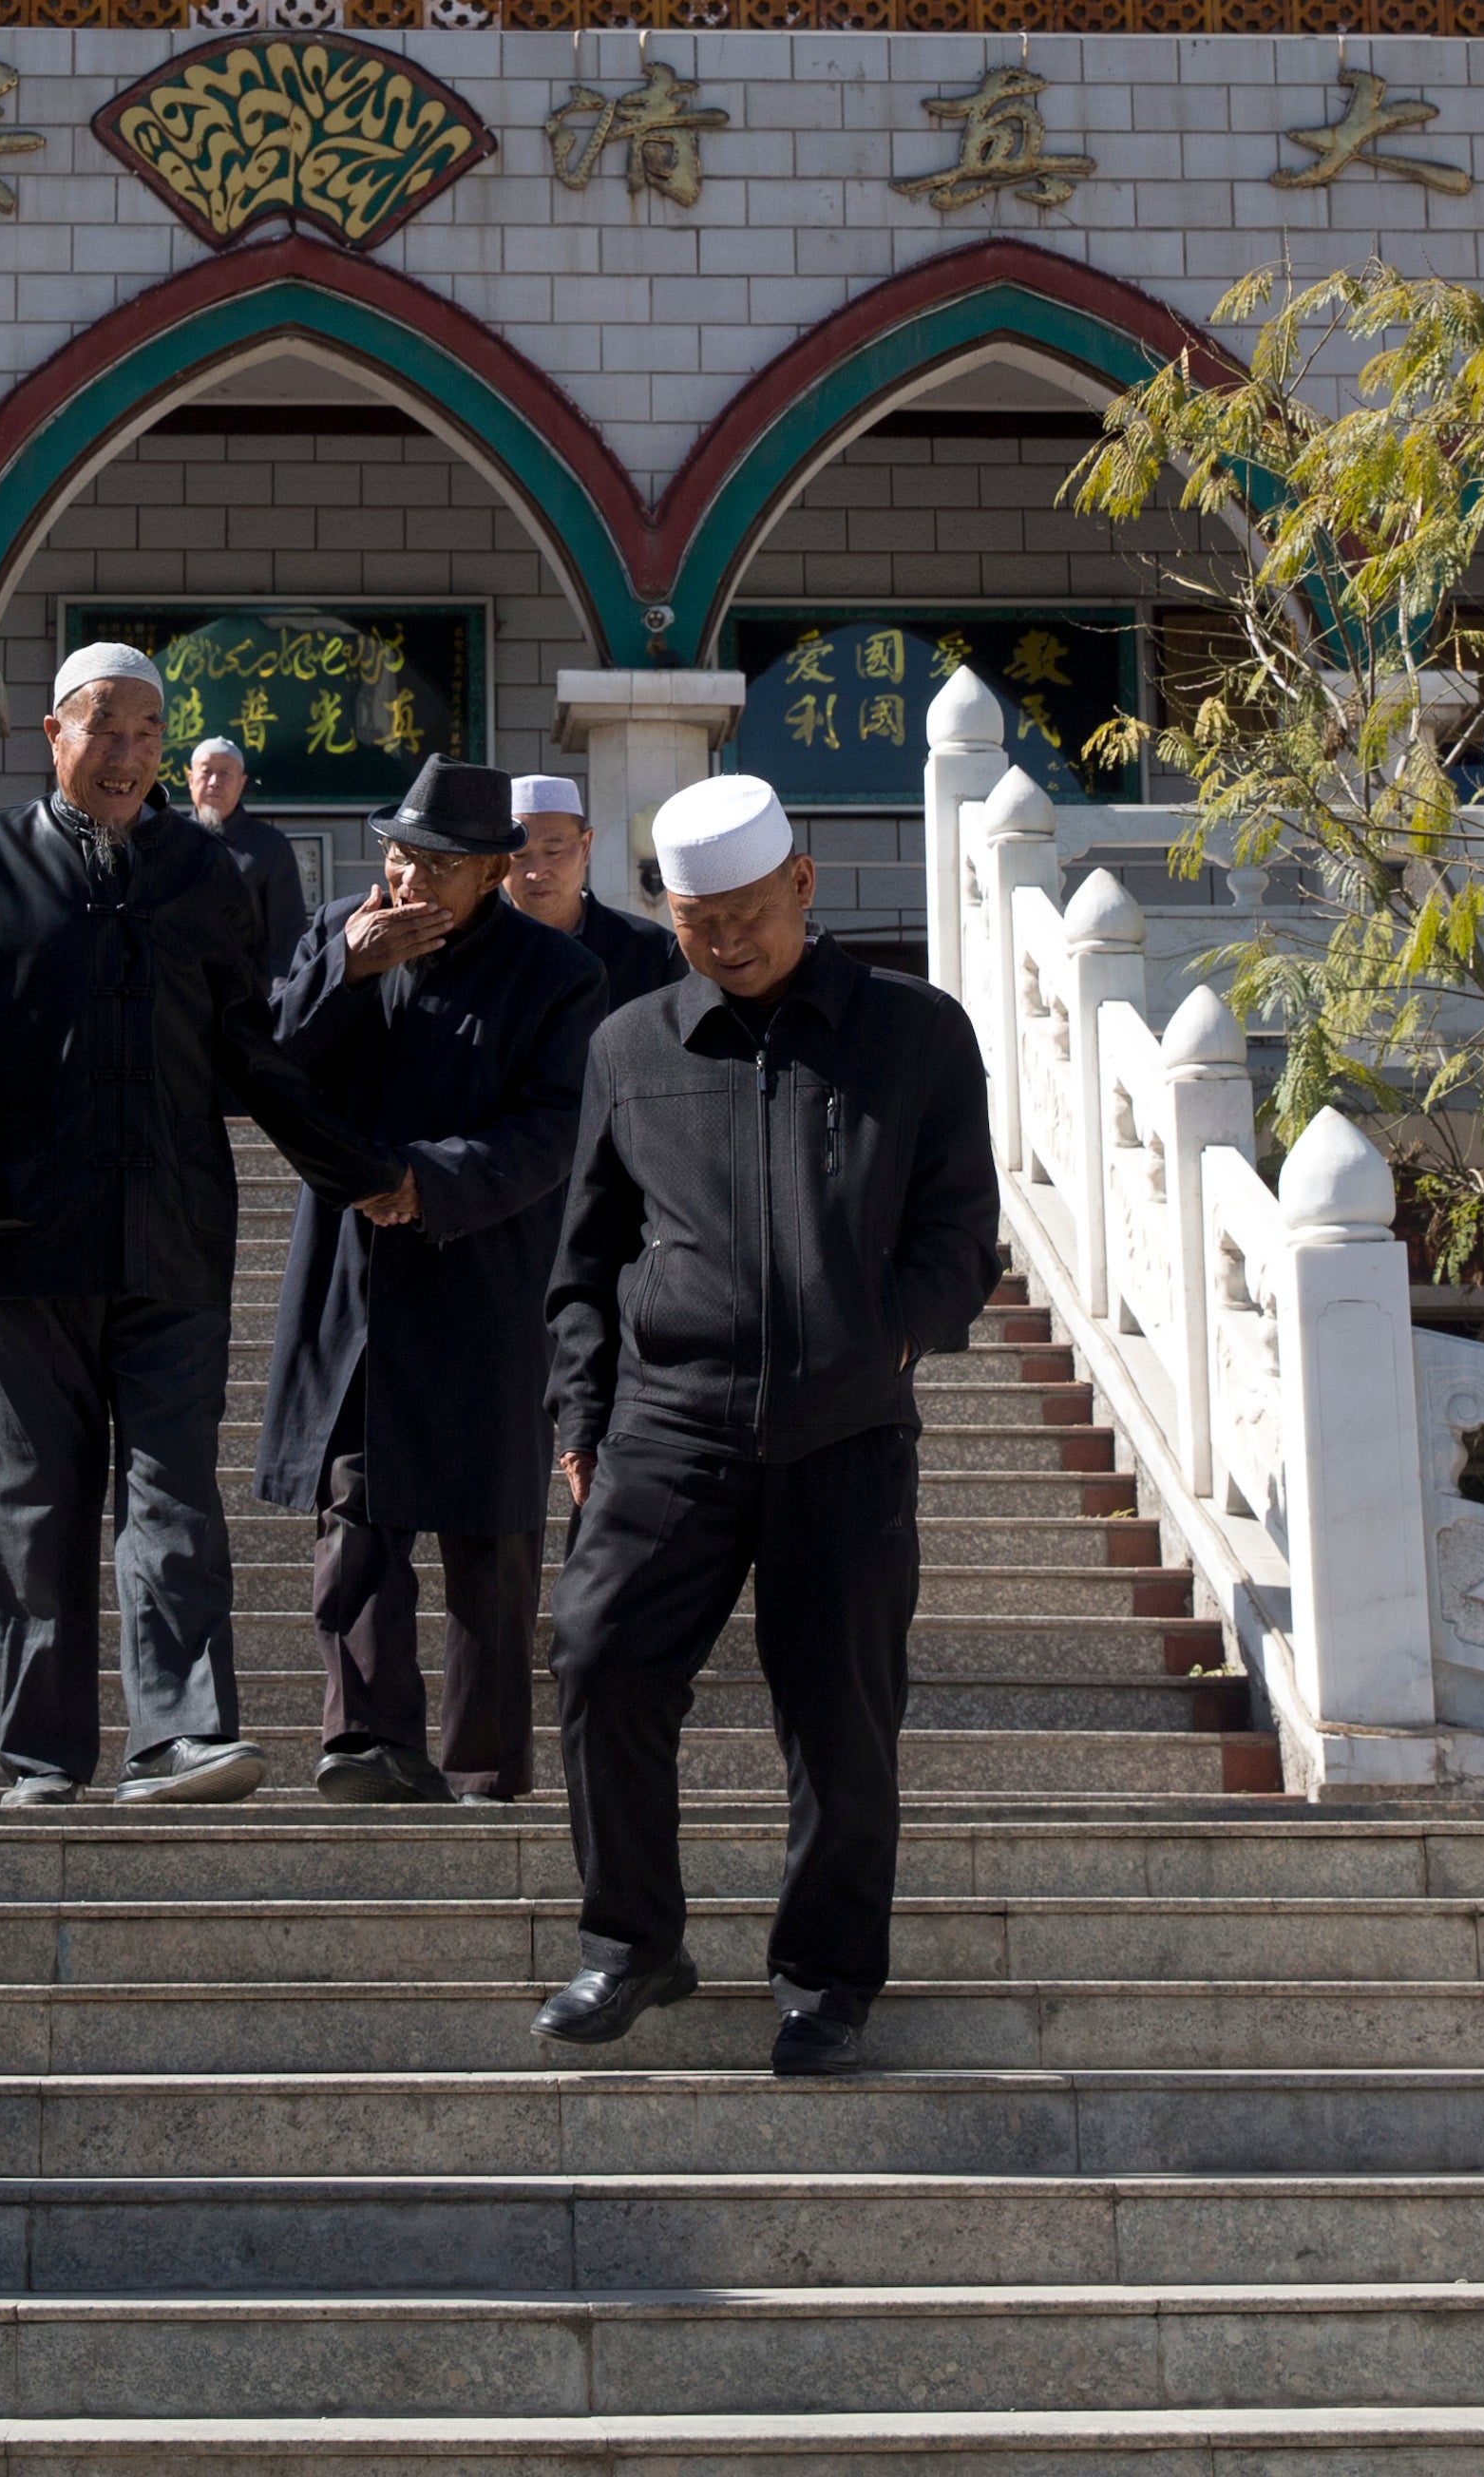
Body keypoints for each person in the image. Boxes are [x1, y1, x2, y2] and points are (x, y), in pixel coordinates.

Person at [535, 776, 1001, 2079]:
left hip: (841, 1428)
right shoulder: (628, 1047)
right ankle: (631, 1940)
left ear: (801, 883)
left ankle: (824, 1976)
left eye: (742, 913)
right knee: (598, 1654)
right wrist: (580, 1407)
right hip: (667, 1425)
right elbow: (583, 1260)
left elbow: (959, 1233)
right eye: (692, 922)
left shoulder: (912, 1032)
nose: (721, 941)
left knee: (839, 1713)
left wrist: (888, 1335)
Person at [0, 643, 398, 1806]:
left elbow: (249, 1053)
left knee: (173, 1490)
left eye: (144, 735)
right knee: (36, 1507)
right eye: (102, 730)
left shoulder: (198, 871)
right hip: (18, 1246)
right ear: (53, 737)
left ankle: (180, 1734)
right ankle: (42, 1754)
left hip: (171, 1232)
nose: (125, 756)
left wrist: (357, 1168)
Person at [255, 758, 602, 1802]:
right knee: (353, 1508)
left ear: (497, 871)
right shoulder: (340, 935)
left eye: (441, 863)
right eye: (399, 851)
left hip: (482, 1273)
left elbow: (555, 1128)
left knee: (489, 1531)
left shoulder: (554, 977)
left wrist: (429, 1182)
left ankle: (484, 1760)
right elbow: (265, 1063)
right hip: (354, 1279)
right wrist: (343, 976)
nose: (408, 876)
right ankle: (365, 1737)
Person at [504, 773, 685, 1007]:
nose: (536, 873)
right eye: (519, 855)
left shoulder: (652, 951)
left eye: (553, 851)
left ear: (585, 846)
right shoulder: (471, 950)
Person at [188, 732, 314, 981]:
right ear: (191, 779)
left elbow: (287, 937)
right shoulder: (170, 840)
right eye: (206, 772)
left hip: (247, 996)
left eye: (225, 773)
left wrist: (278, 1001)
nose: (214, 781)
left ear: (242, 782)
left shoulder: (269, 846)